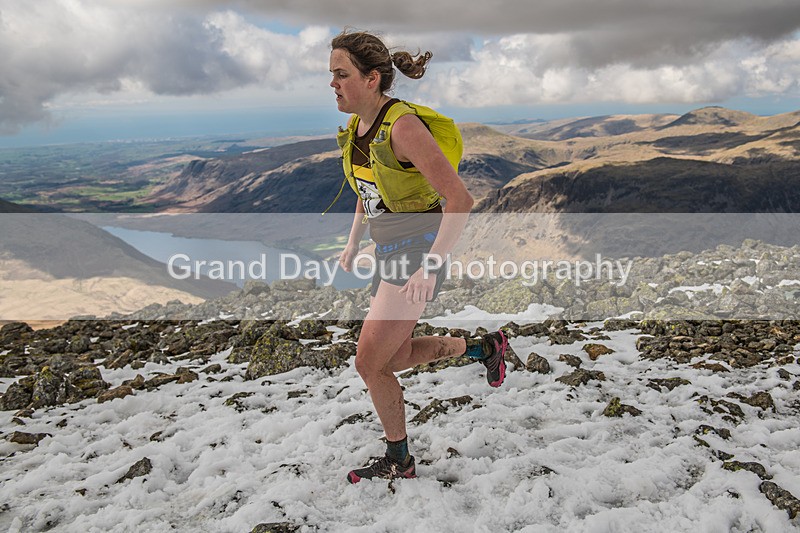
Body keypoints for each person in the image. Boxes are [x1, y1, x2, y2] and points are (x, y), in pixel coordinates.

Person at [329, 30, 508, 484]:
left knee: (370, 362)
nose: (333, 83)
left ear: (372, 79)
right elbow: (367, 190)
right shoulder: (357, 130)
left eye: (341, 74)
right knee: (399, 354)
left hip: (415, 254)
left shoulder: (403, 127)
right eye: (331, 74)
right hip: (387, 250)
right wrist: (353, 241)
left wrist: (430, 265)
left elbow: (460, 199)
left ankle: (400, 461)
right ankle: (486, 348)